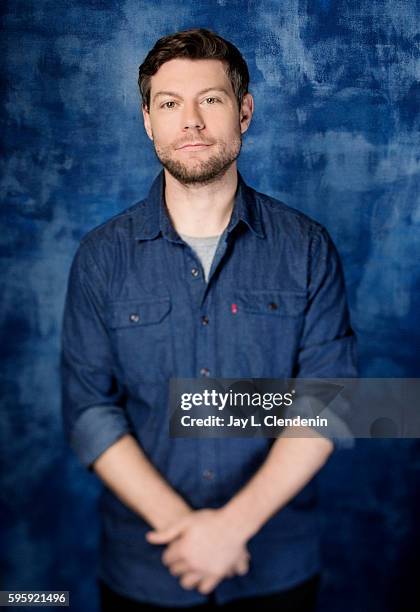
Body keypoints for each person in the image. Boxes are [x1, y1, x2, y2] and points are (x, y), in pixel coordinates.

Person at [60, 28, 357, 611]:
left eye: (211, 100)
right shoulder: (102, 256)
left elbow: (331, 401)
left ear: (243, 111)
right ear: (148, 120)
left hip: (275, 566)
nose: (190, 121)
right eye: (170, 103)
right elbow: (90, 410)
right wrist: (189, 530)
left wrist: (230, 529)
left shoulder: (306, 248)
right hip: (147, 565)